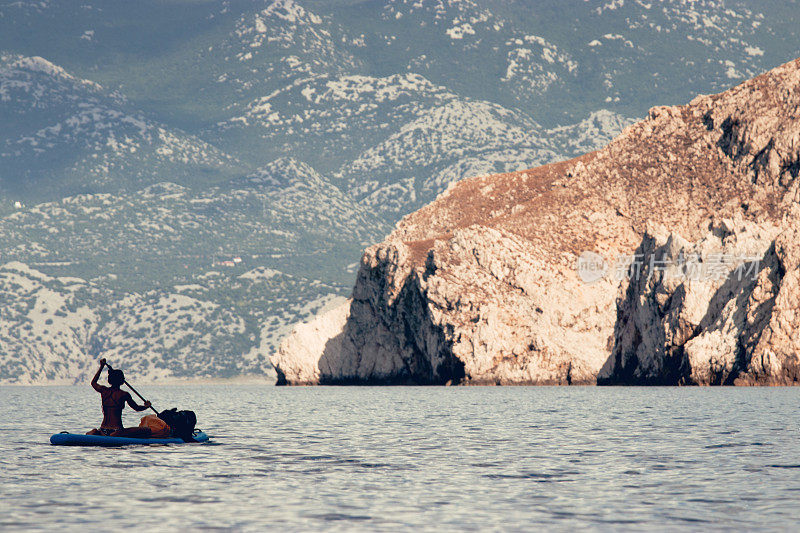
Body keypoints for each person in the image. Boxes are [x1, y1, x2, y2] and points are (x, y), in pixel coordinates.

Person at [87, 359, 153, 437]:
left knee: (94, 431)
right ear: (122, 381)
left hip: (102, 430)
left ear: (110, 380)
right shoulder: (124, 394)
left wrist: (101, 367)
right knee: (147, 430)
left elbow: (93, 382)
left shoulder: (104, 391)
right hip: (117, 431)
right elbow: (137, 408)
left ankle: (95, 434)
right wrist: (146, 406)